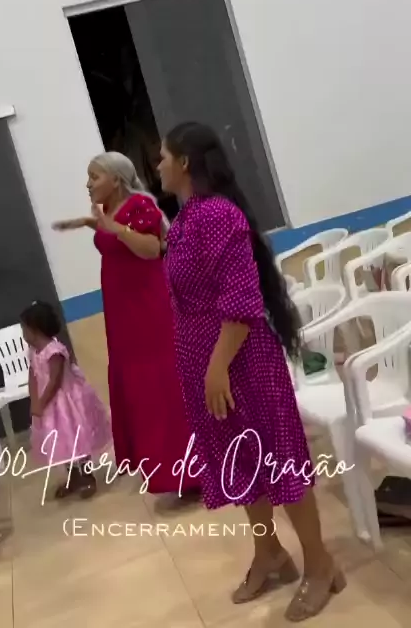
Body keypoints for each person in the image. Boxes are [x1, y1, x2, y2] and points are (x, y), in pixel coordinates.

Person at [158, 122, 345, 622]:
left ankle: (320, 564)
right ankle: (270, 553)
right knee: (240, 464)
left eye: (162, 157)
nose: (156, 166)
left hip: (241, 362)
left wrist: (217, 368)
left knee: (279, 461)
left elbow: (242, 302)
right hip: (208, 364)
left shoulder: (218, 215)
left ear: (184, 163)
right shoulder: (185, 219)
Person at [53, 151, 198, 498]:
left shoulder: (139, 206)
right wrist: (89, 223)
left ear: (116, 179)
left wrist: (112, 227)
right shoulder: (109, 210)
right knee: (140, 387)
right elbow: (115, 239)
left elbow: (151, 248)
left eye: (94, 177)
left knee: (163, 382)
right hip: (123, 312)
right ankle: (164, 467)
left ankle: (190, 469)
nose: (88, 184)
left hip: (148, 307)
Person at [21, 300, 112, 498]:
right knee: (61, 442)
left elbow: (55, 381)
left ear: (35, 330)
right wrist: (34, 400)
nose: (23, 334)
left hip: (66, 404)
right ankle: (73, 477)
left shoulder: (55, 351)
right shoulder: (33, 352)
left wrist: (42, 401)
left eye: (25, 329)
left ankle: (87, 477)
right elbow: (33, 376)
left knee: (76, 439)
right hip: (48, 406)